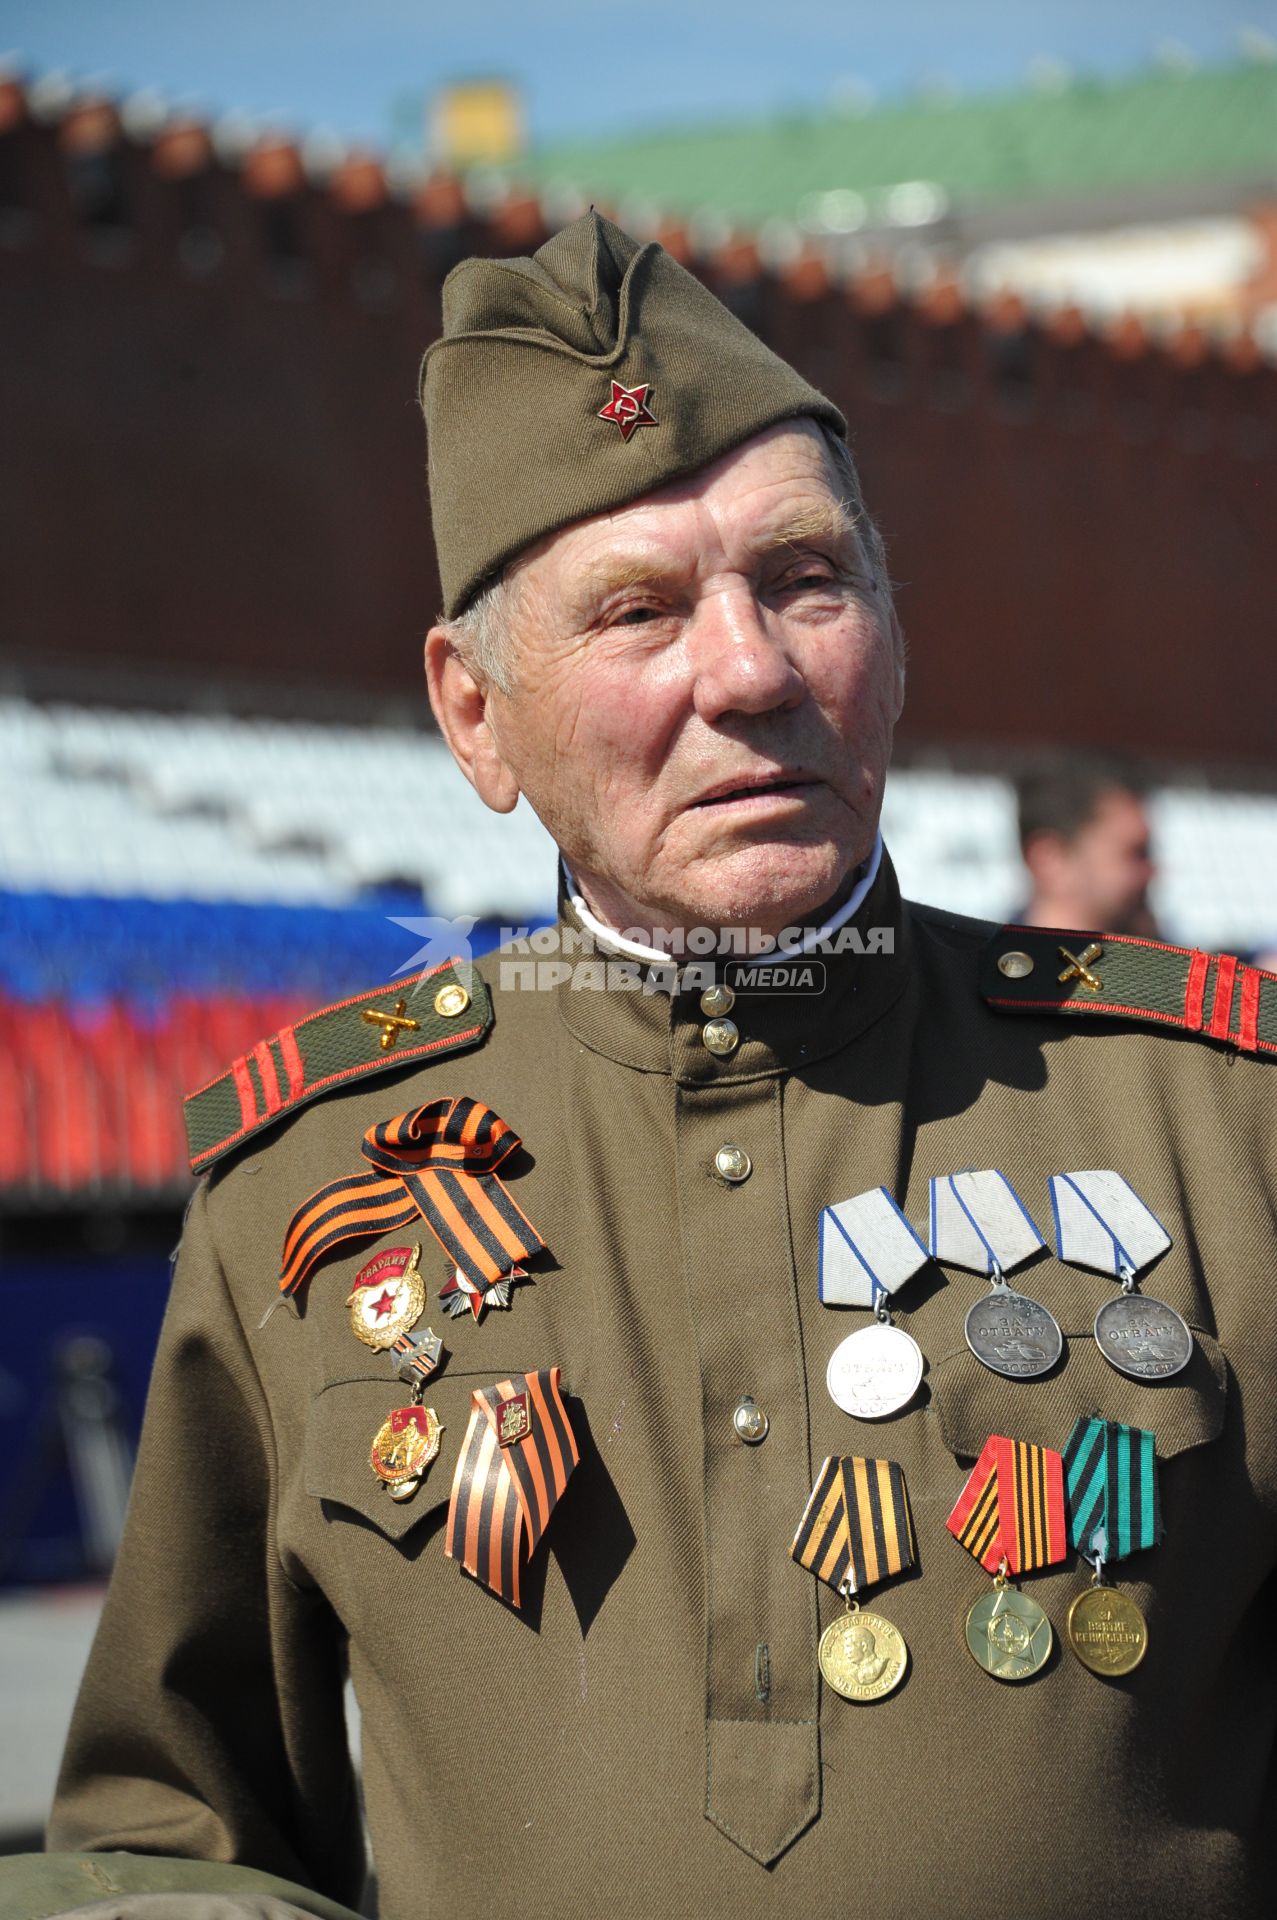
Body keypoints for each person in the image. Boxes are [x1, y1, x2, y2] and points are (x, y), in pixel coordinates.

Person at [13, 214, 1274, 1920]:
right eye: (638, 609)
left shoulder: (1213, 1116)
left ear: (892, 636)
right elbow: (170, 1835)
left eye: (805, 578)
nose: (748, 669)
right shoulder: (303, 1193)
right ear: (476, 715)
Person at [1015, 755, 1159, 936]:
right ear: (1050, 861)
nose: (1151, 872)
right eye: (1134, 854)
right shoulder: (987, 952)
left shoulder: (1175, 953)